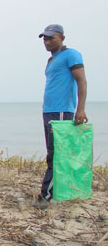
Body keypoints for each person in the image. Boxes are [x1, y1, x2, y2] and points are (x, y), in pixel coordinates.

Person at [34, 24, 88, 209]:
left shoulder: (71, 55)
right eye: (45, 39)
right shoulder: (52, 60)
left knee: (56, 155)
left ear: (62, 38)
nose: (47, 42)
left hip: (62, 111)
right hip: (49, 111)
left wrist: (80, 109)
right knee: (53, 153)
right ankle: (56, 193)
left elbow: (81, 81)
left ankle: (45, 198)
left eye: (51, 38)